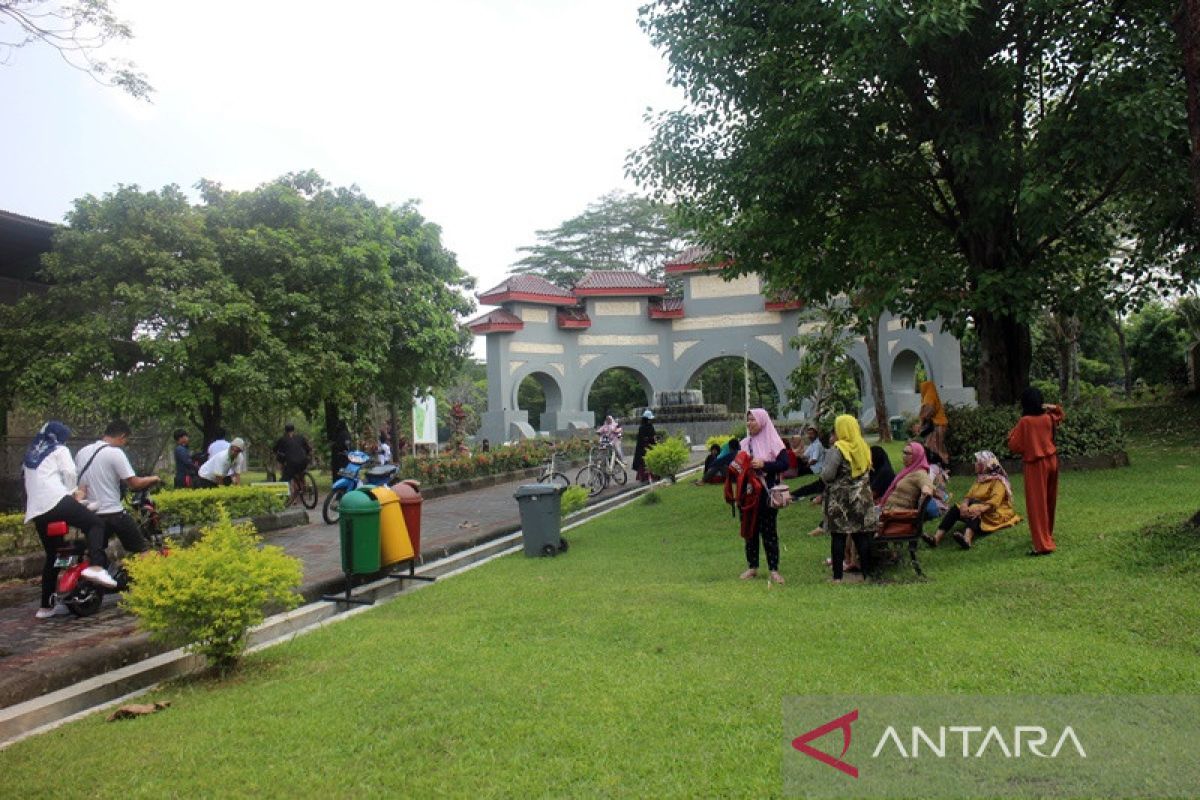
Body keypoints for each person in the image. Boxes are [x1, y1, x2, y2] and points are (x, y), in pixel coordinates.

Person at [23, 422, 108, 619]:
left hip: (38, 511)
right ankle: (96, 567)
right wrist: (74, 493)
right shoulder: (59, 449)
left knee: (53, 555)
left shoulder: (31, 455)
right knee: (95, 524)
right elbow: (70, 472)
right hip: (56, 502)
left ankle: (45, 607)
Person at [74, 420, 161, 590]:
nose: (125, 444)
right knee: (141, 548)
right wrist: (154, 478)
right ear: (122, 437)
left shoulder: (82, 452)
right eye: (126, 440)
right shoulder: (115, 453)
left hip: (91, 515)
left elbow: (81, 487)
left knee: (94, 551)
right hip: (113, 513)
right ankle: (154, 587)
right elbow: (134, 483)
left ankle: (101, 578)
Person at [1008, 387, 1064, 556]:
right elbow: (1060, 415)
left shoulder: (1025, 422)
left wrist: (1010, 435)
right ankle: (1046, 535)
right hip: (1052, 460)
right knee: (1049, 500)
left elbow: (1014, 445)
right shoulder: (1047, 417)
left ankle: (1042, 545)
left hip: (1036, 464)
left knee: (1037, 505)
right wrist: (1051, 406)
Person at [925, 450, 1021, 549]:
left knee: (974, 509)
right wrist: (964, 505)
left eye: (977, 462)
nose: (974, 464)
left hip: (993, 512)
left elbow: (994, 503)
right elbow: (969, 496)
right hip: (980, 508)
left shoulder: (999, 481)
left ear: (985, 464)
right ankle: (936, 538)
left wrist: (979, 509)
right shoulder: (981, 479)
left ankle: (967, 540)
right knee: (955, 509)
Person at [738, 408, 790, 585]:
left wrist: (764, 464)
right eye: (748, 420)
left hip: (766, 494)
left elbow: (784, 464)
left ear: (761, 421)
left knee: (769, 532)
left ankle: (774, 570)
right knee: (750, 531)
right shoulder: (744, 443)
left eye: (753, 420)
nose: (749, 423)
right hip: (749, 494)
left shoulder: (774, 442)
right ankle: (752, 566)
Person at [820, 415, 875, 582]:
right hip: (862, 499)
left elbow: (828, 475)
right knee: (861, 536)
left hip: (841, 501)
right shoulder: (863, 446)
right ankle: (867, 575)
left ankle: (838, 578)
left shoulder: (838, 449)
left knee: (838, 536)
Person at [878, 441, 935, 514]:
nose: (904, 456)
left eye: (908, 454)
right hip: (887, 510)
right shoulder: (908, 471)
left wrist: (919, 512)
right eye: (904, 452)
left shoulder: (920, 473)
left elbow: (927, 488)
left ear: (917, 455)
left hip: (895, 514)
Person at [274, 424, 313, 505]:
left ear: (285, 430)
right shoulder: (301, 437)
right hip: (303, 462)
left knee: (284, 479)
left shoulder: (282, 439)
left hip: (291, 464)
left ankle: (282, 500)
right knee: (299, 473)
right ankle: (303, 487)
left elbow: (275, 449)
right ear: (294, 429)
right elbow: (308, 449)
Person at [917, 381, 951, 465]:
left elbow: (928, 411)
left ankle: (942, 466)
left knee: (934, 446)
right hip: (940, 424)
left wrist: (921, 421)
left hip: (937, 425)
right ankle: (941, 465)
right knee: (937, 446)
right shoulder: (932, 395)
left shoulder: (929, 397)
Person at [790, 426, 827, 499]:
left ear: (816, 435)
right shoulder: (812, 444)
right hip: (811, 466)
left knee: (799, 469)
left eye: (811, 434)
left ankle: (792, 473)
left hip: (815, 468)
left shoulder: (817, 445)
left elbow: (814, 460)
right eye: (808, 434)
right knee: (798, 460)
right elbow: (804, 456)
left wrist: (806, 465)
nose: (809, 436)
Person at [633, 409, 657, 483]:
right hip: (648, 447)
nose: (650, 420)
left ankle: (644, 477)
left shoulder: (642, 427)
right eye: (649, 419)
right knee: (648, 461)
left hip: (642, 447)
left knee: (643, 462)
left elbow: (640, 439)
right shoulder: (650, 427)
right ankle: (650, 476)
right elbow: (653, 438)